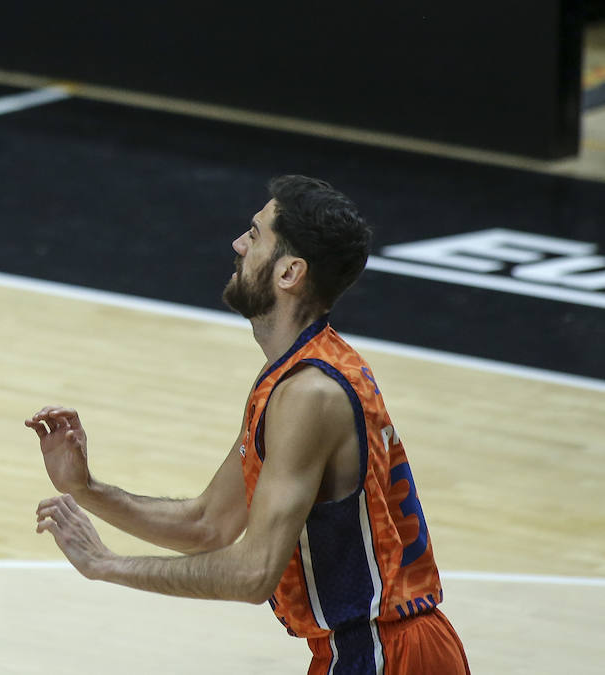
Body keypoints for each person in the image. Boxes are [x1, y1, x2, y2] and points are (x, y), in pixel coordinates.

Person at [27, 175, 470, 675]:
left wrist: (106, 565)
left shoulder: (310, 394)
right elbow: (208, 524)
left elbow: (254, 574)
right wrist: (86, 489)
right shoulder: (291, 375)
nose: (238, 244)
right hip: (372, 648)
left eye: (255, 235)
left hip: (385, 653)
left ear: (289, 273)